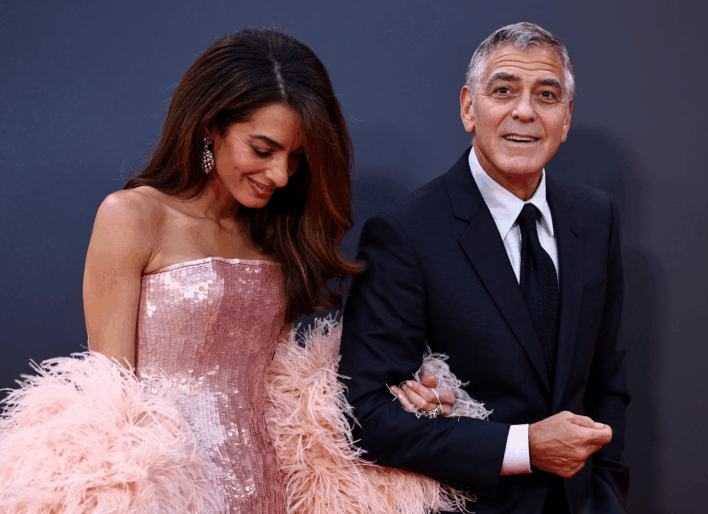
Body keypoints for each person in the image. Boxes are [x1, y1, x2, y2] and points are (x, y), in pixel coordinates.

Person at [0, 28, 462, 514]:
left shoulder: (279, 236)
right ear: (209, 128)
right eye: (263, 150)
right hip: (167, 493)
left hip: (270, 489)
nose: (281, 175)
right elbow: (108, 397)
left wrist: (400, 397)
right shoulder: (133, 217)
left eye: (296, 159)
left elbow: (284, 388)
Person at [339, 22, 630, 513]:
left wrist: (608, 495)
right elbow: (366, 415)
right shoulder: (405, 232)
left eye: (546, 95)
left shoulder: (595, 217)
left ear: (567, 116)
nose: (525, 111)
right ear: (469, 108)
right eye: (504, 90)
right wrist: (523, 447)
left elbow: (607, 384)